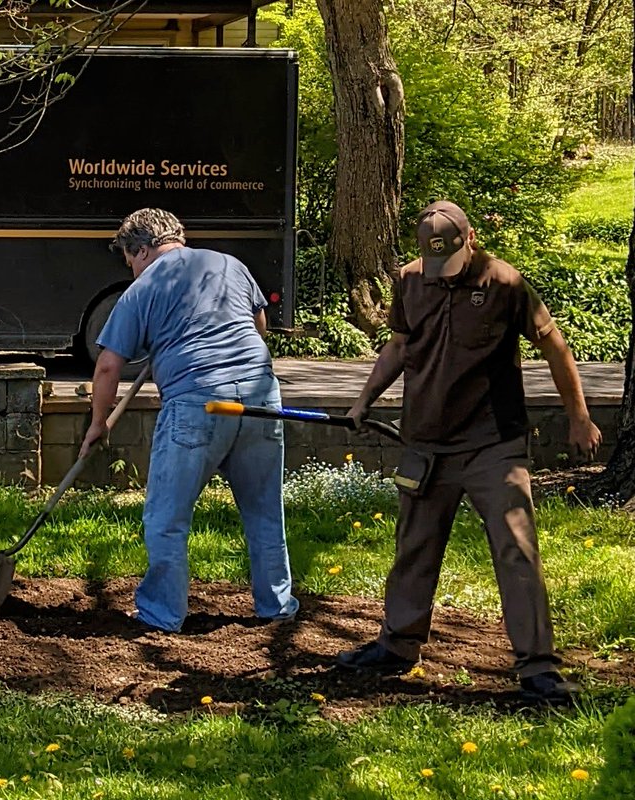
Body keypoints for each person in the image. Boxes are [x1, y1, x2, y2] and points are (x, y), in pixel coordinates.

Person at [336, 199, 602, 703]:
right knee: (413, 547)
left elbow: (555, 347)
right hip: (425, 442)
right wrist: (363, 400)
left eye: (449, 260)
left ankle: (538, 668)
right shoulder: (411, 280)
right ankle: (397, 647)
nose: (442, 271)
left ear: (470, 238)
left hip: (492, 445)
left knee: (516, 549)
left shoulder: (504, 283)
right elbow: (397, 346)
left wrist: (579, 417)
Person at [78, 208, 298, 632]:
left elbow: (107, 366)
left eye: (130, 260)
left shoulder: (144, 289)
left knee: (166, 517)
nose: (132, 270)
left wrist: (98, 423)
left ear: (142, 250)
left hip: (197, 402)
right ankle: (277, 606)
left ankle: (161, 615)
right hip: (260, 396)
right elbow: (259, 326)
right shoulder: (229, 265)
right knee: (264, 510)